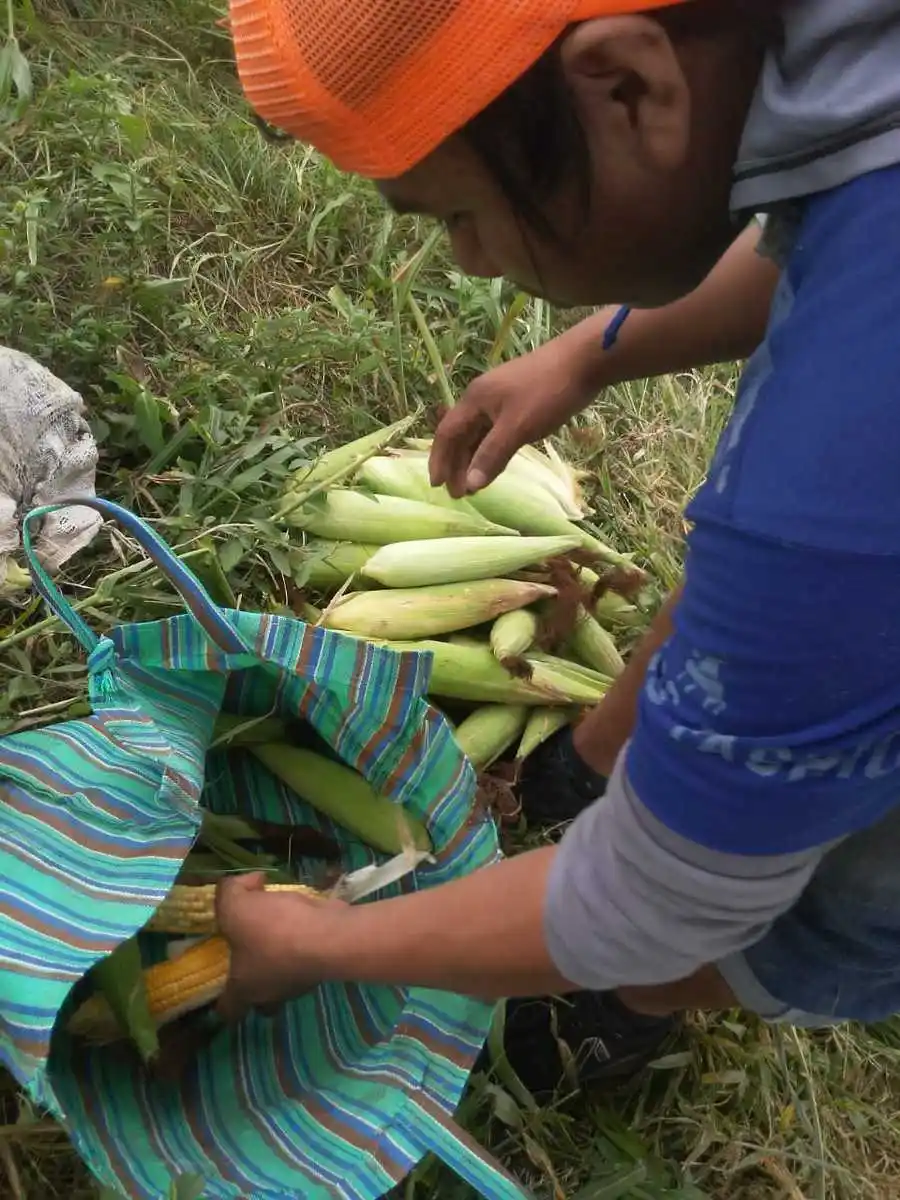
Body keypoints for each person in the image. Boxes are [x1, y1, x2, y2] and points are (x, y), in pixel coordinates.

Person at [216, 0, 900, 1096]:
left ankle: (637, 1005)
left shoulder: (842, 481)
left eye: (454, 219)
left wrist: (314, 948)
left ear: (627, 86)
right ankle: (595, 764)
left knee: (853, 884)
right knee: (766, 624)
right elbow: (829, 226)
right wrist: (596, 351)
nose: (471, 262)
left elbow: (651, 903)